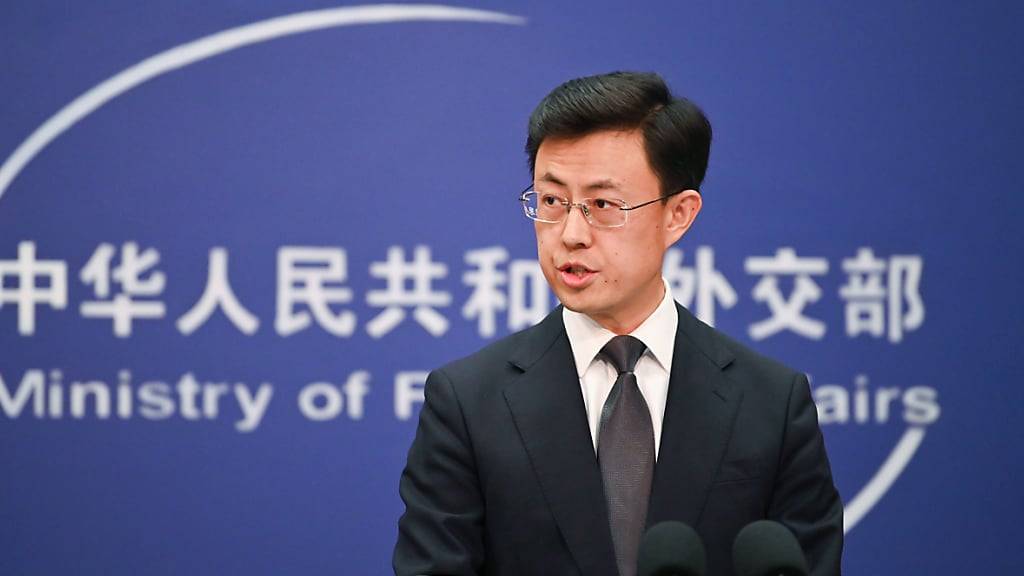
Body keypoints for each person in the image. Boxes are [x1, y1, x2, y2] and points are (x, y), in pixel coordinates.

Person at [393, 71, 843, 576]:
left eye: (603, 205)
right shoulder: (467, 402)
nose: (571, 234)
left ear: (678, 214)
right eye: (551, 201)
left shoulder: (772, 403)